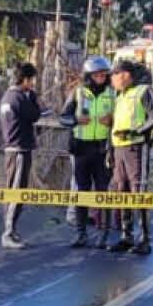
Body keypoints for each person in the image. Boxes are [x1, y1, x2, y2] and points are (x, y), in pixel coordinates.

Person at [59, 56, 117, 248]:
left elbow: (122, 118)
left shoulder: (112, 94)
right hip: (81, 149)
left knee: (102, 192)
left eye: (104, 74)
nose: (101, 77)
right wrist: (76, 121)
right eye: (97, 74)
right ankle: (81, 232)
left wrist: (112, 120)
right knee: (81, 192)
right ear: (89, 75)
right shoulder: (78, 93)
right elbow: (63, 117)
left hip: (102, 149)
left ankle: (103, 233)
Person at [108, 60, 153, 255]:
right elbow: (114, 124)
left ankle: (146, 239)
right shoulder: (120, 96)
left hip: (137, 148)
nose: (111, 81)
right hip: (119, 149)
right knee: (122, 192)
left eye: (113, 76)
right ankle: (126, 236)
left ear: (124, 75)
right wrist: (109, 151)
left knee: (139, 192)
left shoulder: (144, 91)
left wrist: (136, 132)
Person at [0, 62, 42, 249]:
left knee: (14, 189)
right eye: (32, 80)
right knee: (16, 190)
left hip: (12, 148)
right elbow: (35, 115)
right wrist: (33, 98)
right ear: (25, 79)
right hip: (19, 149)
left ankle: (11, 230)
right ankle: (8, 232)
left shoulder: (7, 97)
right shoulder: (19, 98)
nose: (33, 84)